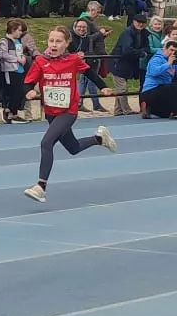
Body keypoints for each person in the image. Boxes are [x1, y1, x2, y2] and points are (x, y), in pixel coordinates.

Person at [20, 25, 117, 201]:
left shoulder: (73, 60)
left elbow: (89, 73)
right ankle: (99, 139)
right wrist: (29, 91)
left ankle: (41, 186)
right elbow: (28, 81)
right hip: (50, 111)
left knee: (46, 143)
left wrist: (103, 87)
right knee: (73, 148)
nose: (54, 44)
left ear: (66, 43)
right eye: (51, 40)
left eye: (58, 41)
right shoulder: (41, 61)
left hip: (69, 110)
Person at [0, 18, 35, 123]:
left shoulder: (18, 41)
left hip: (20, 69)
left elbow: (20, 52)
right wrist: (15, 59)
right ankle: (9, 111)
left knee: (21, 92)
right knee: (13, 92)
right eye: (19, 30)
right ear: (13, 30)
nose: (20, 32)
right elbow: (2, 54)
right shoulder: (4, 41)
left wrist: (22, 58)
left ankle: (13, 112)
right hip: (10, 70)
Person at [140, 39, 177, 119]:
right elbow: (154, 72)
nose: (173, 53)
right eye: (171, 50)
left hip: (163, 92)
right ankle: (176, 112)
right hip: (150, 90)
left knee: (166, 114)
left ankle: (149, 109)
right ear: (165, 49)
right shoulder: (156, 59)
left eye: (175, 51)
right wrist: (168, 64)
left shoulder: (173, 61)